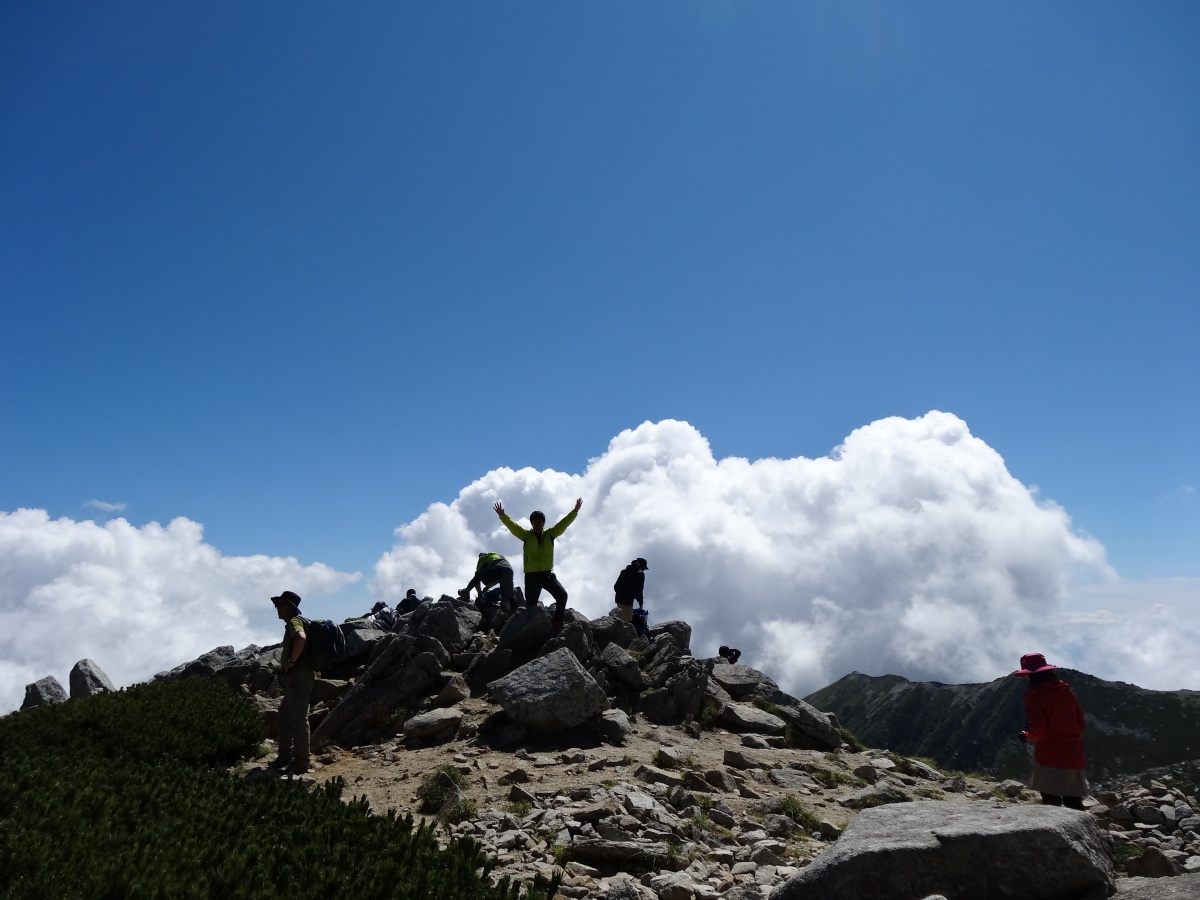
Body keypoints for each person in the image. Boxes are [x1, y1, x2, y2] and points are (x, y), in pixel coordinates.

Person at [1013, 652, 1088, 809]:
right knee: (1074, 803)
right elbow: (1081, 723)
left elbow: (1039, 729)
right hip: (1074, 754)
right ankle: (1084, 831)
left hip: (1050, 755)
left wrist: (1027, 736)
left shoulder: (1034, 694)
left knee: (1051, 803)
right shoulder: (1066, 691)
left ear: (1030, 675)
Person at [494, 498, 582, 630]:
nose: (537, 523)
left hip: (547, 574)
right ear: (531, 523)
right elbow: (514, 527)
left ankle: (557, 622)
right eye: (535, 521)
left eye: (540, 521)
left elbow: (563, 524)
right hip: (531, 577)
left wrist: (575, 511)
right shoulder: (526, 536)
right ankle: (530, 632)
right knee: (531, 607)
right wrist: (503, 516)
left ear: (543, 522)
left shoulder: (550, 534)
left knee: (562, 595)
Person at [270, 590, 314, 775]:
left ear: (291, 607)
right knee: (284, 717)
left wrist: (292, 662)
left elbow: (301, 638)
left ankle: (302, 761)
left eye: (281, 605)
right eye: (276, 605)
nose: (277, 609)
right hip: (298, 675)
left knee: (298, 718)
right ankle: (285, 755)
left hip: (298, 675)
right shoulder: (296, 622)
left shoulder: (295, 622)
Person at [613, 558, 648, 623]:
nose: (643, 570)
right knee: (628, 623)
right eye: (643, 568)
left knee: (620, 619)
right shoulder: (640, 574)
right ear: (640, 566)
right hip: (628, 602)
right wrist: (640, 603)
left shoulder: (624, 571)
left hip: (618, 599)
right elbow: (639, 590)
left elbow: (616, 586)